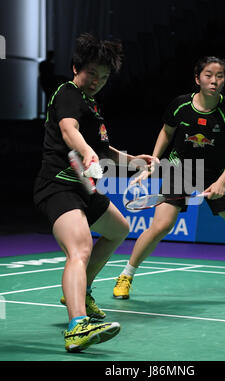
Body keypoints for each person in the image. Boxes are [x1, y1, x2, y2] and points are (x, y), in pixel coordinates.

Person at [113, 56, 225, 300]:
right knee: (161, 226)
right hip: (180, 169)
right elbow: (166, 132)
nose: (214, 80)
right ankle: (126, 275)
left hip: (216, 172)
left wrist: (221, 182)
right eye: (208, 75)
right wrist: (153, 161)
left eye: (219, 76)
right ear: (197, 79)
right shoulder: (180, 105)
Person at [33, 33, 156, 352]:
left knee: (119, 229)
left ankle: (80, 289)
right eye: (92, 74)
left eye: (103, 78)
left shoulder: (91, 105)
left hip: (82, 188)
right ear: (76, 68)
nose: (96, 82)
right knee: (81, 246)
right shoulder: (68, 92)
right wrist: (87, 152)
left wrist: (134, 161)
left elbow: (104, 151)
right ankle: (76, 326)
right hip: (58, 184)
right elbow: (68, 130)